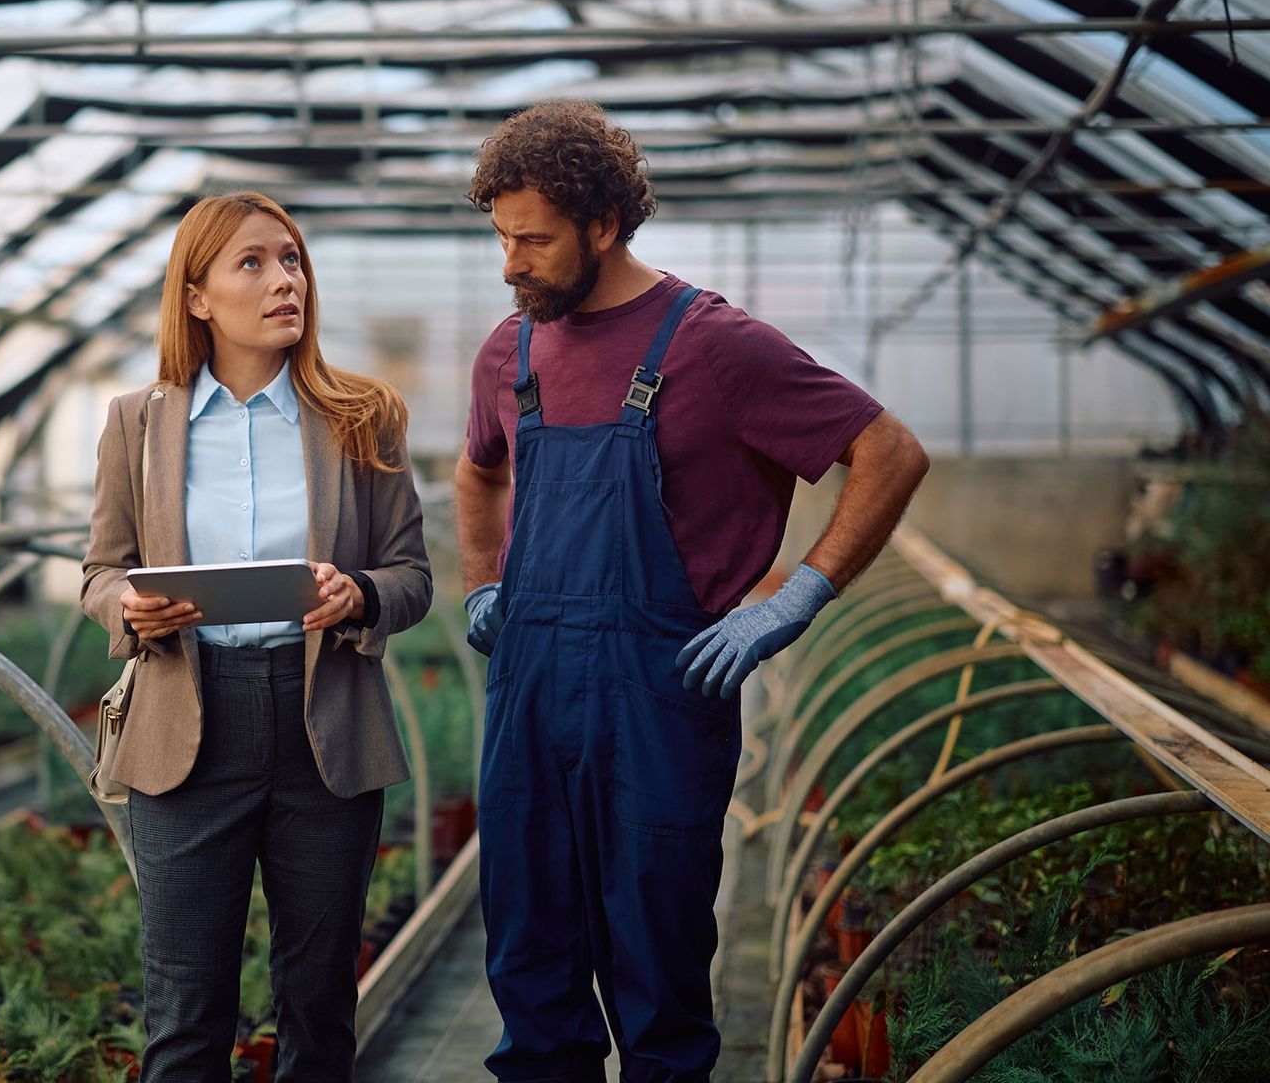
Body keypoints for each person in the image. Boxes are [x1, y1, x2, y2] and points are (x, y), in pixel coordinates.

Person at [455, 101, 931, 1081]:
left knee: (659, 969)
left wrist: (797, 594)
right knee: (529, 956)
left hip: (657, 697)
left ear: (602, 224)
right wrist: (478, 583)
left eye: (532, 240)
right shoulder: (513, 350)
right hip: (530, 691)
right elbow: (477, 471)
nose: (511, 263)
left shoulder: (715, 345)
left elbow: (886, 449)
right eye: (501, 238)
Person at [81, 191, 433, 1083]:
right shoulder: (139, 421)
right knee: (185, 1013)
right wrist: (129, 606)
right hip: (185, 729)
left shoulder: (362, 415)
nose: (287, 280)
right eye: (254, 263)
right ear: (197, 295)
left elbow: (411, 576)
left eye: (292, 259)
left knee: (318, 1006)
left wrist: (356, 594)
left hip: (322, 726)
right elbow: (100, 570)